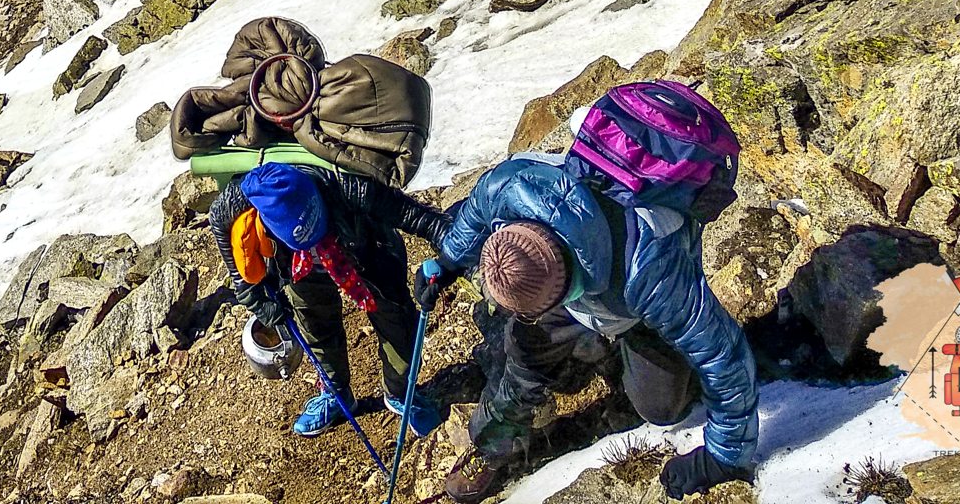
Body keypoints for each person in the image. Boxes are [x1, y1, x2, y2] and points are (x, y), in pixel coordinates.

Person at [418, 140, 758, 500]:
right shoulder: (511, 188)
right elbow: (475, 213)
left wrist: (723, 458)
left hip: (634, 297)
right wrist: (448, 261)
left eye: (531, 309)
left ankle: (631, 342)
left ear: (564, 291)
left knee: (662, 410)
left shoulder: (650, 274)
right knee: (525, 352)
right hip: (582, 274)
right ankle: (492, 445)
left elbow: (724, 358)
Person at [212, 160, 448, 439]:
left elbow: (417, 217)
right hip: (296, 266)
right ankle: (336, 393)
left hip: (367, 250)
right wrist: (250, 292)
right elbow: (220, 225)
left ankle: (400, 393)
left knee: (397, 322)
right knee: (315, 324)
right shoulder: (240, 199)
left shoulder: (349, 185)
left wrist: (452, 257)